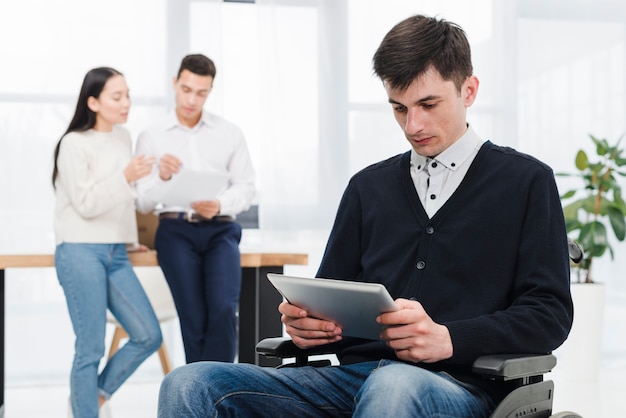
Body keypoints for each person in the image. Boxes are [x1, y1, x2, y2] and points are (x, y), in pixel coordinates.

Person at [156, 15, 573, 417]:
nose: (413, 125)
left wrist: (448, 339)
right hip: (351, 381)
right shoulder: (366, 188)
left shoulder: (526, 182)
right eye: (399, 108)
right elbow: (327, 297)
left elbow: (549, 313)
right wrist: (307, 328)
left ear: (469, 90)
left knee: (393, 386)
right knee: (188, 383)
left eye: (428, 103)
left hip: (460, 388)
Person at [52, 67, 162, 418]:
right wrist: (125, 175)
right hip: (79, 249)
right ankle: (86, 410)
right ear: (94, 102)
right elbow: (85, 204)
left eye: (128, 94)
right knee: (91, 347)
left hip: (116, 252)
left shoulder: (122, 137)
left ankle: (90, 399)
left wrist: (128, 240)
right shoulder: (73, 143)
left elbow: (122, 200)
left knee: (148, 334)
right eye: (117, 97)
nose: (126, 103)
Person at [135, 54, 256, 363]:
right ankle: (199, 399)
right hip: (175, 231)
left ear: (210, 90)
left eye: (201, 92)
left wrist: (219, 204)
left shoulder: (229, 132)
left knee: (224, 310)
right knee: (194, 318)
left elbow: (245, 187)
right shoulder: (153, 135)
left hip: (220, 229)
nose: (192, 99)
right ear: (175, 83)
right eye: (186, 89)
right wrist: (162, 177)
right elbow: (143, 201)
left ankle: (218, 394)